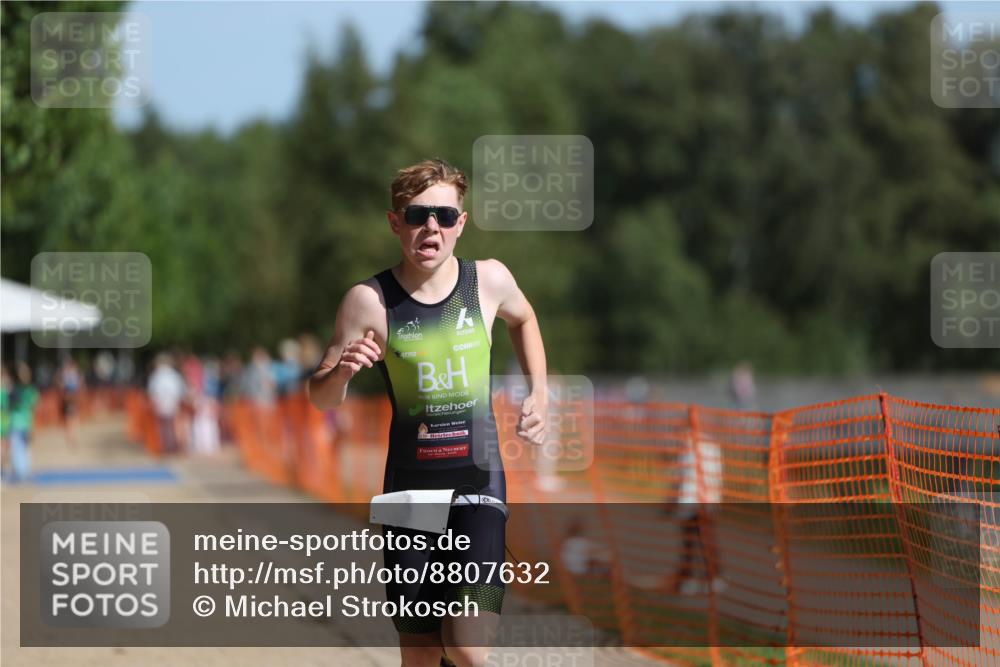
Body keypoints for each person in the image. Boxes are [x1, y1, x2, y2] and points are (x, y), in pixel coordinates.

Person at [308, 158, 547, 667]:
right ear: (396, 222)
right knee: (419, 653)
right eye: (417, 215)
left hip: (480, 487)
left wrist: (540, 393)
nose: (430, 226)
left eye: (443, 214)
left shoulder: (489, 281)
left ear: (462, 223)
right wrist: (343, 373)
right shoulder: (367, 301)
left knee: (464, 646)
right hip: (408, 493)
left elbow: (524, 319)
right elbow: (320, 396)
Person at [669, 435, 725, 596]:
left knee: (705, 542)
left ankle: (714, 578)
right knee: (688, 544)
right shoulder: (685, 449)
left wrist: (711, 503)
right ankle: (689, 580)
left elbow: (715, 478)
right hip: (686, 503)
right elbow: (679, 476)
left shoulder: (709, 449)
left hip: (702, 504)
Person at [147, 353, 186, 455]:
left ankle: (166, 446)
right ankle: (171, 446)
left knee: (164, 427)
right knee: (172, 426)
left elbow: (153, 391)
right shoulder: (173, 375)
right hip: (171, 403)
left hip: (163, 403)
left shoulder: (157, 375)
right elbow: (180, 390)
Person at [8, 362, 40, 482]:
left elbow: (33, 408)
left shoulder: (28, 390)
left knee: (22, 449)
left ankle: (23, 473)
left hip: (23, 423)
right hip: (19, 423)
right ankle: (22, 473)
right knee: (19, 449)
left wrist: (33, 426)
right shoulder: (17, 389)